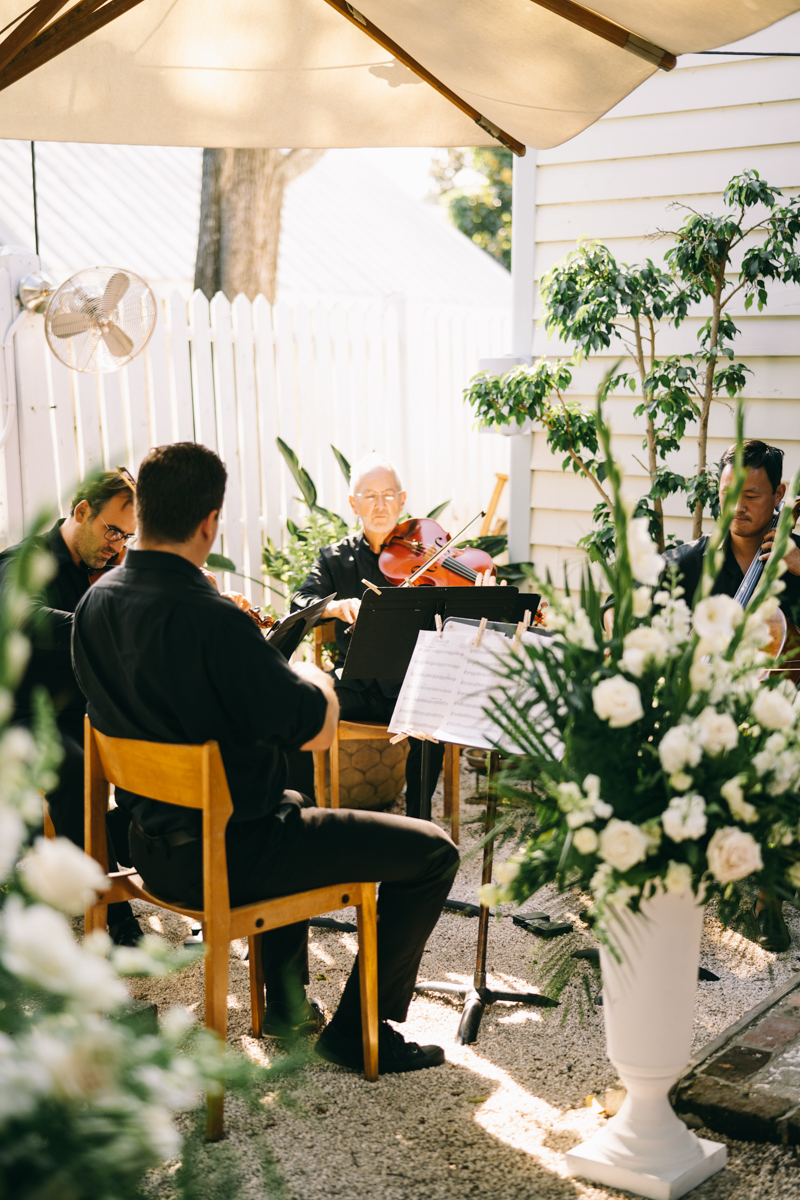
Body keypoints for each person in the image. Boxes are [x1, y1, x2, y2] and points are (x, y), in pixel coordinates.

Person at [73, 442, 459, 1071]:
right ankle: (361, 1029)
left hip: (146, 845)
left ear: (141, 514)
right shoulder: (212, 619)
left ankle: (284, 1004)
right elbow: (316, 731)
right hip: (231, 858)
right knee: (433, 851)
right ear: (209, 522)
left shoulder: (94, 604)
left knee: (290, 799)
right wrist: (318, 679)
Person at [662, 439, 800, 952]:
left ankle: (768, 897)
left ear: (779, 495)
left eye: (752, 497)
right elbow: (621, 606)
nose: (737, 509)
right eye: (726, 495)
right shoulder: (689, 561)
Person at [0, 470, 143, 945]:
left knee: (168, 745)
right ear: (81, 511)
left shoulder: (111, 567)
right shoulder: (25, 561)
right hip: (28, 712)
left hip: (89, 707)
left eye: (128, 536)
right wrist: (104, 621)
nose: (119, 547)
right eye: (112, 531)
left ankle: (135, 848)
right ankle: (108, 910)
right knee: (76, 769)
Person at [290, 454, 446, 818]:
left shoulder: (427, 557)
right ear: (353, 503)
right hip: (354, 682)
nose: (380, 505)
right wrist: (333, 607)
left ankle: (419, 826)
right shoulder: (333, 559)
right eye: (369, 495)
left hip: (409, 685)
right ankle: (307, 819)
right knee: (302, 709)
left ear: (403, 500)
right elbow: (300, 600)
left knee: (431, 720)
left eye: (389, 495)